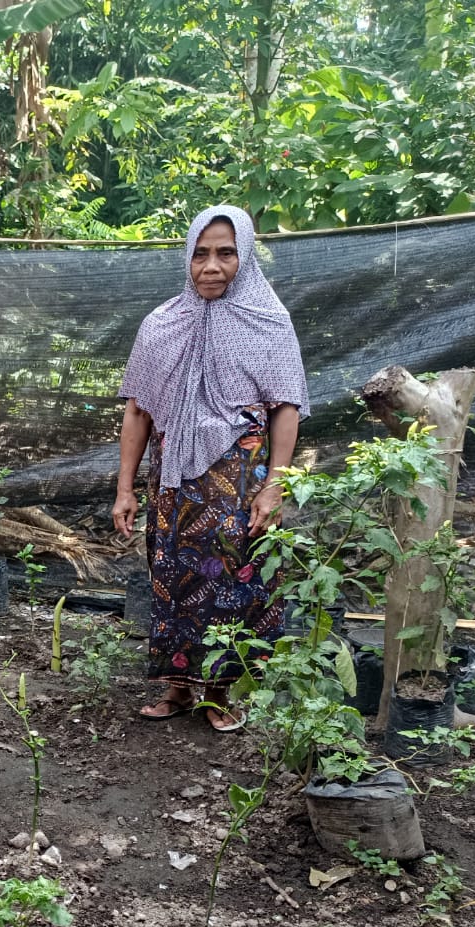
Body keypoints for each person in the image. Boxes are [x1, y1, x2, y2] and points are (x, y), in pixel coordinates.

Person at [112, 204, 308, 732]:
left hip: (238, 477)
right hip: (173, 476)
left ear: (244, 257)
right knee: (172, 574)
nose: (211, 266)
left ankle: (221, 694)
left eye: (225, 253)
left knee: (232, 577)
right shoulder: (162, 323)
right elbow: (138, 409)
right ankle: (176, 688)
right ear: (187, 259)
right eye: (200, 254)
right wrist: (125, 488)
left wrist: (275, 487)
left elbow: (285, 407)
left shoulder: (268, 322)